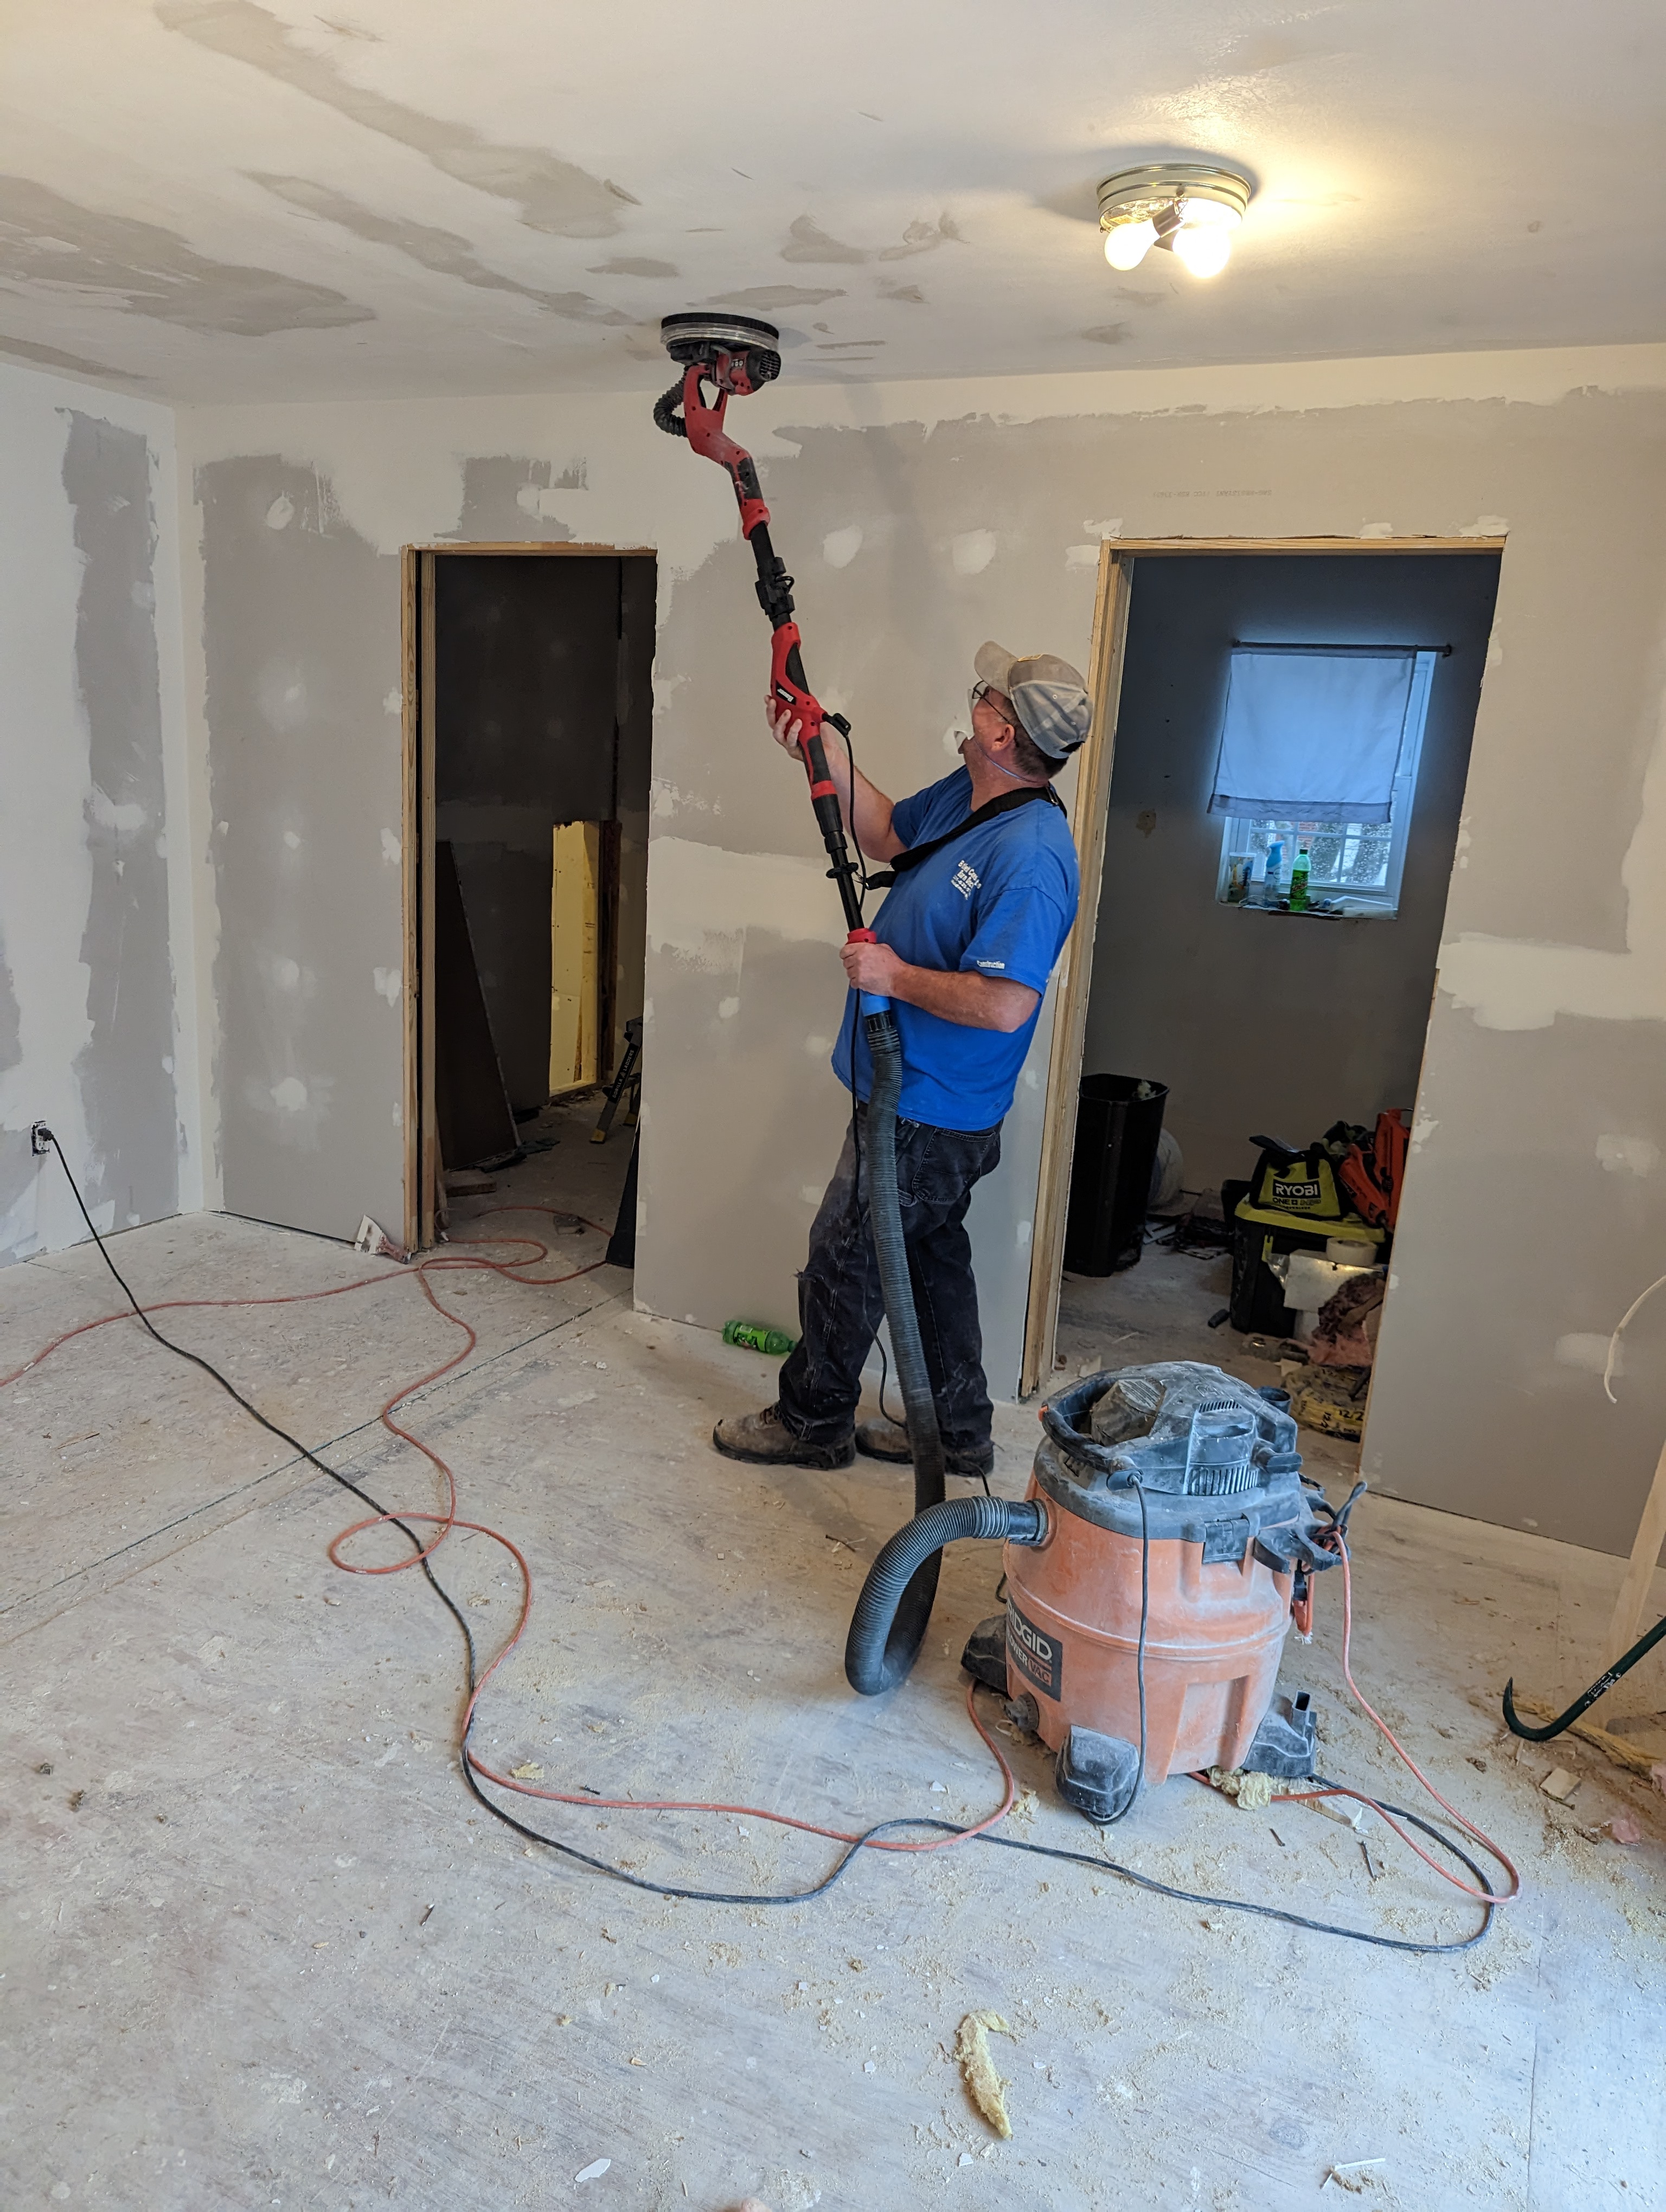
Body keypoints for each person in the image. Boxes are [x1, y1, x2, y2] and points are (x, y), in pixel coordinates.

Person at [712, 641, 1088, 1478]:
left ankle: (812, 1422)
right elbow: (886, 834)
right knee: (925, 1258)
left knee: (846, 1256)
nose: (976, 697)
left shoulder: (1032, 855)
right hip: (905, 1091)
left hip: (930, 1108)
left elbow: (1006, 1004)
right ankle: (956, 1431)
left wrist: (893, 977)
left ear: (1002, 733)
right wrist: (823, 751)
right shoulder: (972, 792)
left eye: (988, 695)